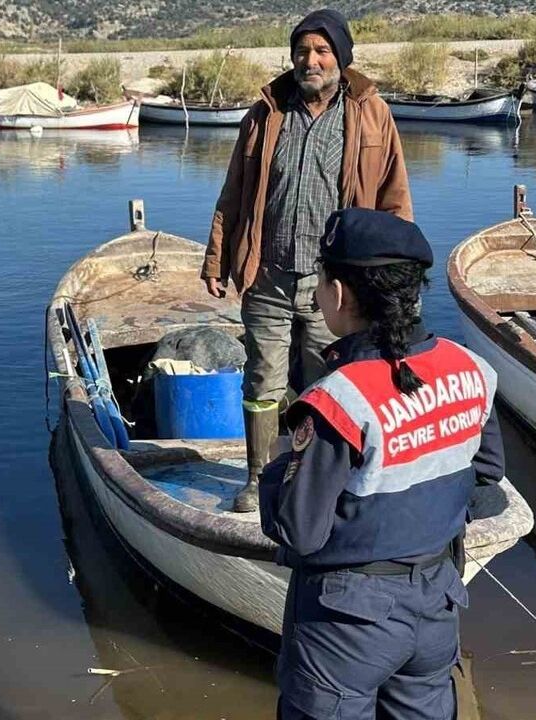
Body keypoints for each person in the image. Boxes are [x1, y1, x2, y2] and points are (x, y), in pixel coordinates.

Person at [259, 208, 505, 719]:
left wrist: (276, 471)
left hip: (347, 626)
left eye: (321, 281)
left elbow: (299, 531)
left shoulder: (339, 400)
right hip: (437, 607)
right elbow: (487, 477)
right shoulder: (471, 369)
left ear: (340, 293)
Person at [201, 9, 412, 512]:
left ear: (341, 58)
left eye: (321, 51)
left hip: (335, 285)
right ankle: (258, 478)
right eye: (302, 51)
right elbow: (234, 192)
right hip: (267, 273)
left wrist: (395, 277)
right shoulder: (266, 113)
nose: (310, 60)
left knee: (333, 384)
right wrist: (216, 259)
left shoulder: (371, 114)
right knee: (262, 381)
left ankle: (317, 480)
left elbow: (394, 199)